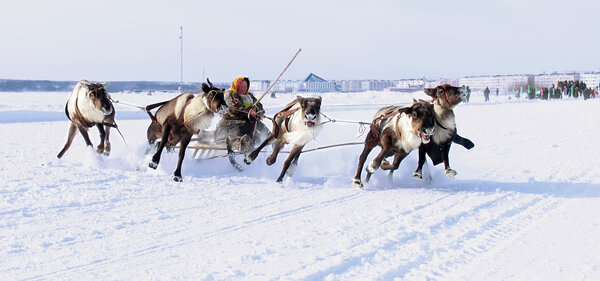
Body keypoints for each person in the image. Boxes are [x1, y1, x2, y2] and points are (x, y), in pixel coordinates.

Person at [214, 77, 270, 153]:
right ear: (236, 86)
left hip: (250, 121)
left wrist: (256, 110)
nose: (243, 89)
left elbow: (260, 107)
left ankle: (269, 143)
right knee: (243, 129)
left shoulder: (250, 96)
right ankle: (239, 144)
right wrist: (248, 111)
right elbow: (232, 108)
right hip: (232, 121)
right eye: (241, 87)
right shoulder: (229, 95)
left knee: (263, 130)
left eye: (245, 87)